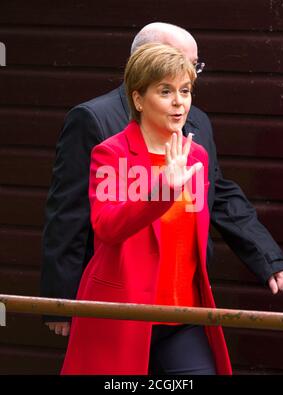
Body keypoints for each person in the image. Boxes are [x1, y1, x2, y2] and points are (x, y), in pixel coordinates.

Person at [41, 22, 283, 339]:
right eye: (180, 60)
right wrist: (60, 302)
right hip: (120, 296)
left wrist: (267, 257)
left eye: (194, 65)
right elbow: (68, 215)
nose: (189, 74)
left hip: (180, 297)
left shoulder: (196, 120)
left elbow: (220, 194)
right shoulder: (93, 119)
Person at [61, 43, 232, 375]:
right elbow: (107, 226)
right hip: (123, 316)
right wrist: (162, 190)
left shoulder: (195, 156)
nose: (179, 101)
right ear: (138, 99)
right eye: (165, 91)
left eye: (184, 90)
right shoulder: (110, 154)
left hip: (184, 315)